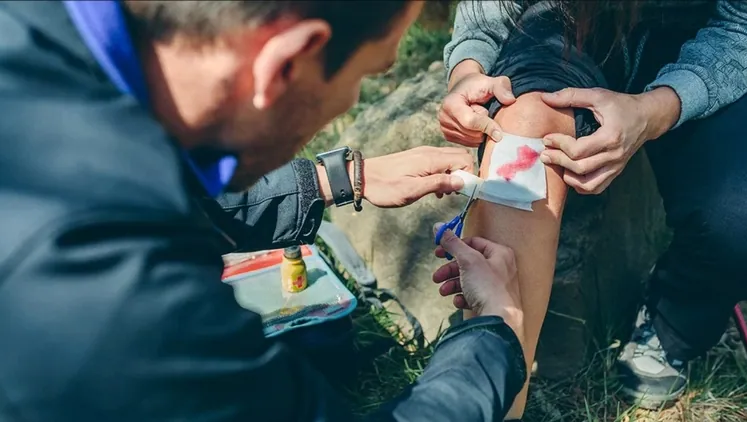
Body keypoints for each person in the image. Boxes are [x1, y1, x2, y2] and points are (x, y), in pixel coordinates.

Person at [0, 1, 531, 421]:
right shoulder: (114, 285)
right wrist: (493, 332)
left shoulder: (40, 36)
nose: (353, 99)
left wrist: (331, 181)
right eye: (367, 76)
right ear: (286, 62)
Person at [439, 0, 747, 416]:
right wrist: (467, 71)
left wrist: (656, 111)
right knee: (525, 130)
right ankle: (482, 403)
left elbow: (742, 24)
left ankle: (674, 323)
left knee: (738, 220)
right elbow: (488, 8)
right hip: (570, 21)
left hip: (706, 30)